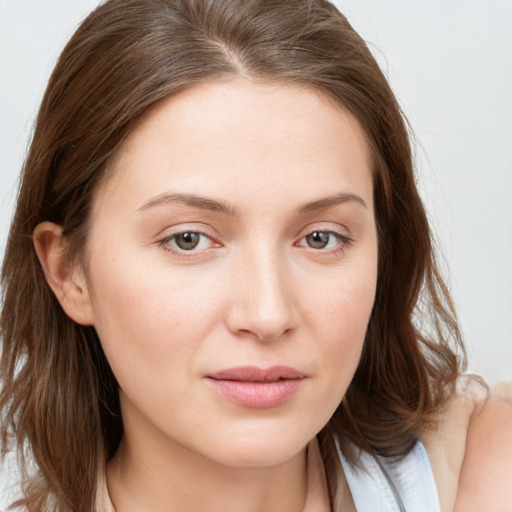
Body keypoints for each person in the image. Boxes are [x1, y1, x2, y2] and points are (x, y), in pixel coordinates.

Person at [0, 0, 510, 511]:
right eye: (188, 239)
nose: (268, 315)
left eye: (320, 238)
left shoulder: (479, 472)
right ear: (69, 272)